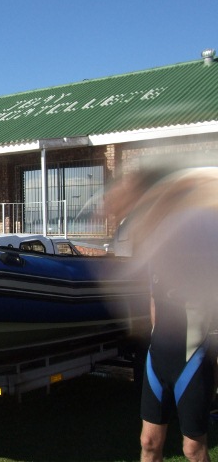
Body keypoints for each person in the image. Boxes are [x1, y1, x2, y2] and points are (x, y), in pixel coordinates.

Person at [117, 167, 218, 462]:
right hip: (158, 358)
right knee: (148, 442)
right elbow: (153, 301)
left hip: (193, 359)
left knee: (192, 448)